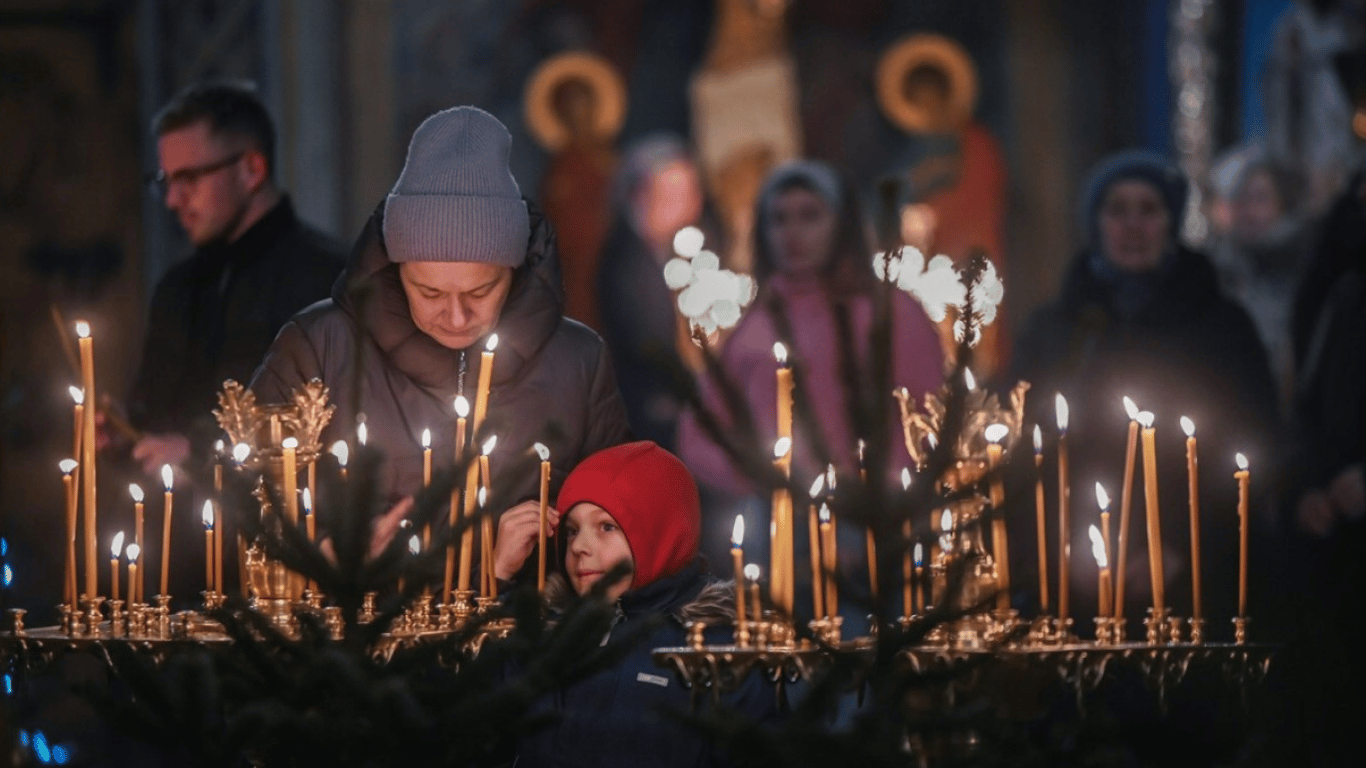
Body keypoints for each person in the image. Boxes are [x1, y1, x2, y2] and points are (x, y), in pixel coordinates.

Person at [250, 106, 630, 542]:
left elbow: (620, 525)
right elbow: (247, 503)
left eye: (480, 292)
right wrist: (328, 559)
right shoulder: (318, 348)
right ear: (395, 268)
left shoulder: (578, 361)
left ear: (516, 271)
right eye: (429, 292)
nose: (456, 317)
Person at [1011, 149, 1278, 622]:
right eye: (1117, 210)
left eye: (1148, 210)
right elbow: (1025, 445)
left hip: (1193, 574)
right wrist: (1060, 548)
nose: (1133, 226)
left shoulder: (1219, 325)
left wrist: (1178, 546)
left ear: (1171, 221)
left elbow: (1250, 440)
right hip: (1072, 578)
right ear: (1096, 223)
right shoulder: (1055, 328)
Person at [677, 159, 944, 571]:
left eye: (809, 216)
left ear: (842, 224)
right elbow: (701, 428)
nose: (792, 233)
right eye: (778, 219)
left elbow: (928, 413)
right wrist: (758, 478)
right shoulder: (756, 323)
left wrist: (878, 492)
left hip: (871, 521)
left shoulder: (889, 313)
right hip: (771, 523)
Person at [493, 440, 778, 767]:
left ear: (660, 532)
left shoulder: (718, 647)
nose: (579, 546)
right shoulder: (550, 631)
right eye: (571, 531)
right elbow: (478, 719)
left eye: (606, 526)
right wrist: (499, 576)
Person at [126, 80, 345, 476]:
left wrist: (199, 450)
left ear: (252, 169)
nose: (174, 201)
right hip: (176, 531)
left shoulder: (328, 278)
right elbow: (153, 416)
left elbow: (328, 420)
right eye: (166, 183)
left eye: (189, 179)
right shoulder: (177, 288)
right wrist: (123, 437)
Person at [597, 135, 716, 451]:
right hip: (647, 415)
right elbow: (649, 346)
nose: (690, 208)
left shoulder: (669, 251)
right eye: (673, 198)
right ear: (638, 196)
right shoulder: (627, 263)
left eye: (692, 195)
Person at [1210, 154, 1313, 412]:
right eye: (1241, 199)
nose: (1250, 211)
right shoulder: (1214, 272)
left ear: (1282, 204)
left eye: (1261, 199)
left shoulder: (1305, 271)